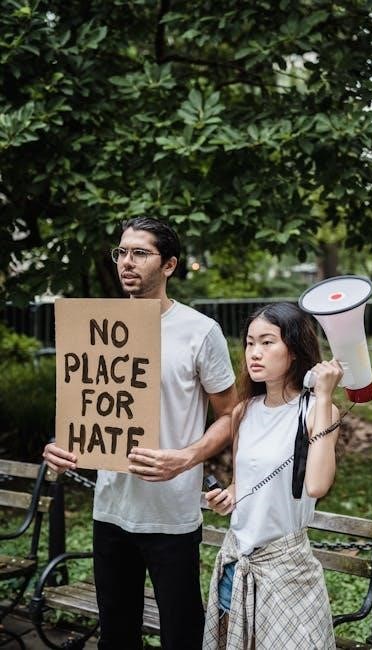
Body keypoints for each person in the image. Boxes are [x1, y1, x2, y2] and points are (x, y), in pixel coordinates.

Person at [43, 217, 238, 650]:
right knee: (116, 637)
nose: (126, 262)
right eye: (122, 252)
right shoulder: (97, 326)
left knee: (181, 635)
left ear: (169, 265)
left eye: (140, 253)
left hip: (171, 514)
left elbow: (231, 414)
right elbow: (88, 404)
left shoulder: (201, 331)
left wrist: (186, 457)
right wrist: (61, 445)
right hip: (110, 509)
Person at [203, 301, 343, 650]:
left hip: (286, 570)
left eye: (267, 342)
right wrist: (228, 497)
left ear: (293, 350)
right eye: (250, 343)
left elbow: (317, 485)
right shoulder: (243, 411)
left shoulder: (317, 411)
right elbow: (242, 482)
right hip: (237, 566)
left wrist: (324, 396)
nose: (255, 353)